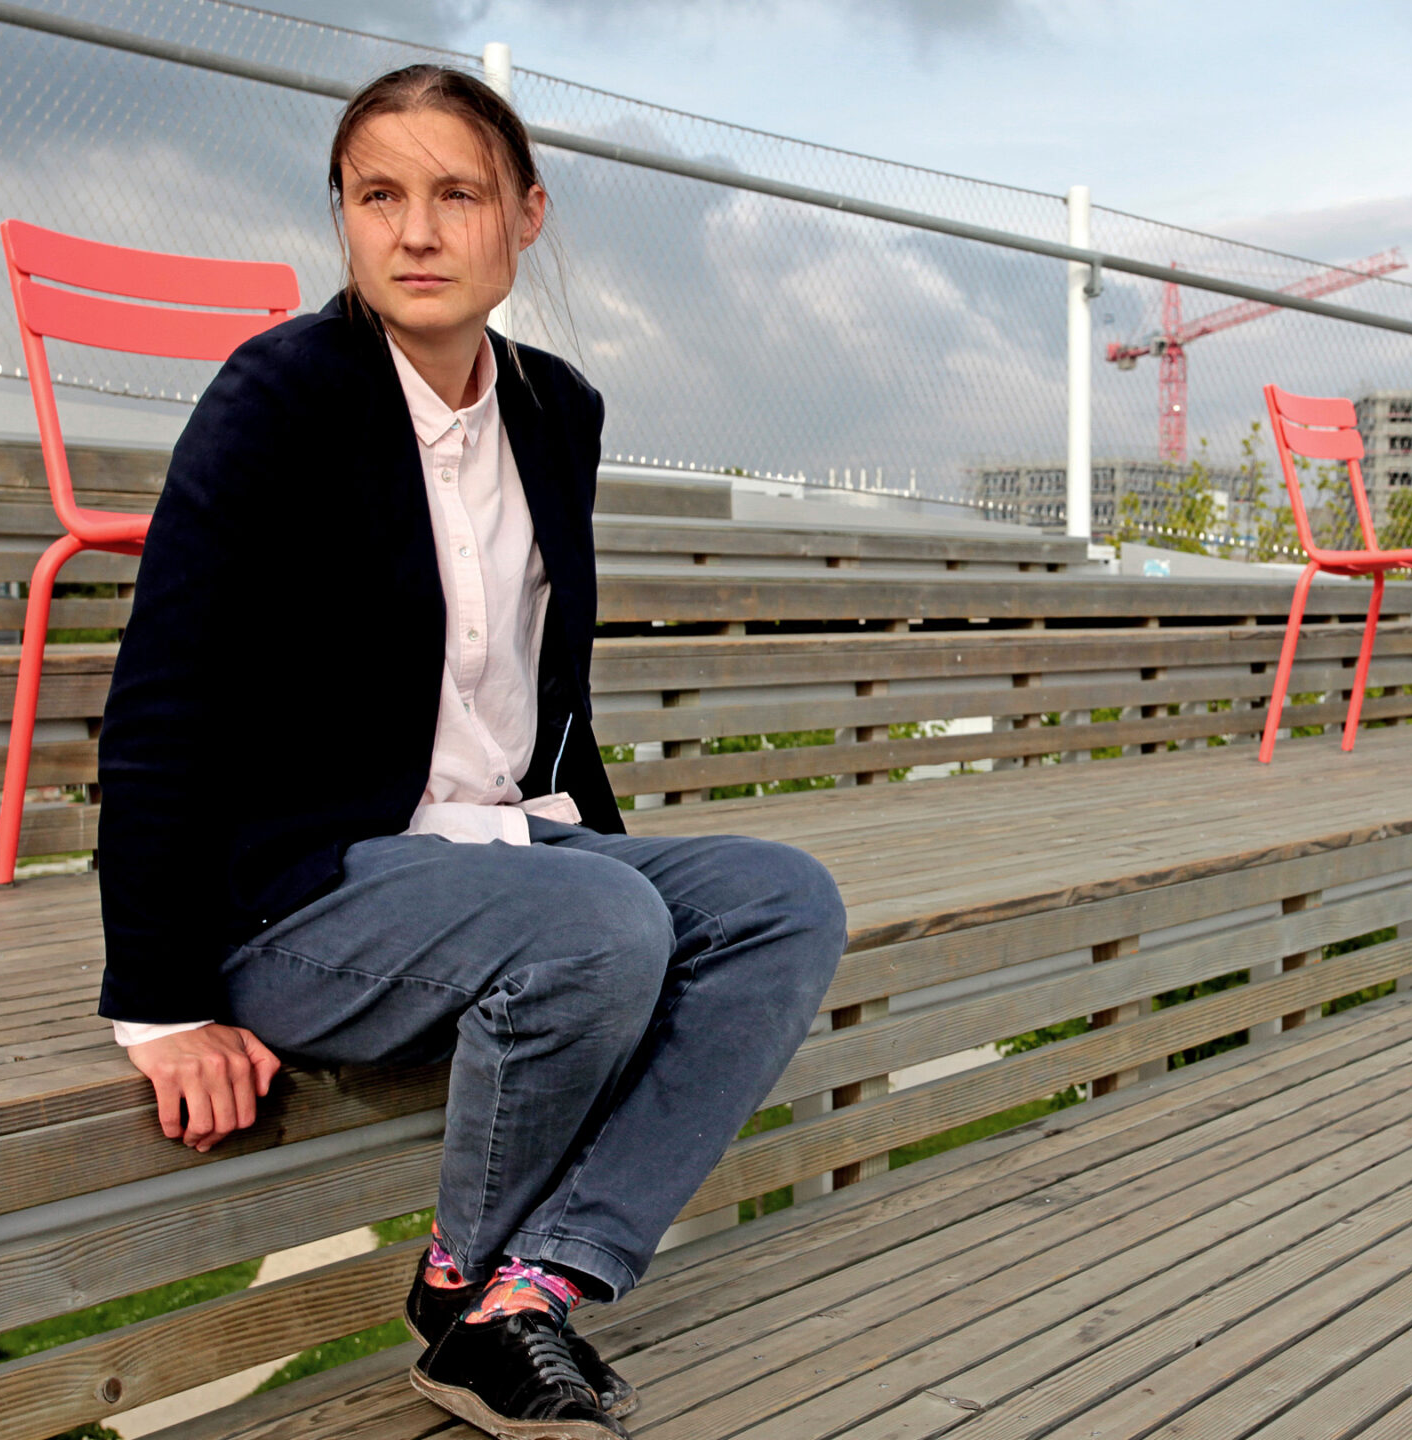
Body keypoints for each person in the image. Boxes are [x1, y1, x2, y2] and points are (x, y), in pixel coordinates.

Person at [94, 65, 847, 1439]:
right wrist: (161, 1005)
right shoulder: (280, 394)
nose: (418, 232)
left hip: (506, 854)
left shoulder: (558, 411)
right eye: (379, 196)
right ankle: (457, 1301)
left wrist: (613, 907)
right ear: (343, 220)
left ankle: (530, 1286)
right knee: (601, 923)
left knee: (782, 900)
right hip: (311, 896)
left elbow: (552, 696)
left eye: (458, 194)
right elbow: (161, 700)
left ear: (526, 219)